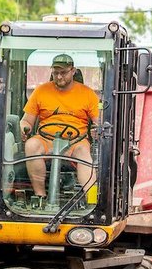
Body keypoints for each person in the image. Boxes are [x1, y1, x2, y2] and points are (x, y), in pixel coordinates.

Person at [21, 53, 100, 198]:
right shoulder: (41, 91)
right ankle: (40, 197)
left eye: (63, 72)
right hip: (46, 139)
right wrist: (23, 128)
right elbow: (27, 121)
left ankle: (92, 199)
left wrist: (97, 130)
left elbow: (99, 122)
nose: (59, 77)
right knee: (31, 145)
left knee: (84, 153)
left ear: (73, 71)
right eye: (55, 72)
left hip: (77, 141)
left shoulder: (87, 94)